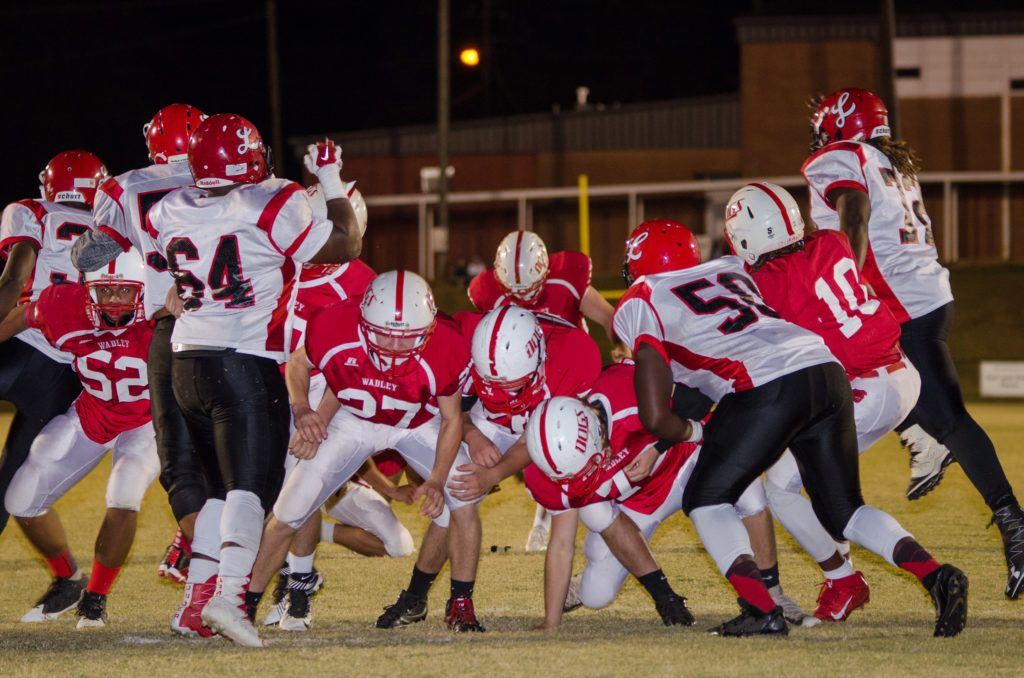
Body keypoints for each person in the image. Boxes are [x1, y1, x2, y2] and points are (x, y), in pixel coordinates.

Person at [613, 218, 968, 637]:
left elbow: (657, 411)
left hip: (767, 387)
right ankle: (936, 575)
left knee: (707, 500)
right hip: (826, 371)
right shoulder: (730, 267)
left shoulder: (641, 298)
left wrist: (684, 433)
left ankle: (762, 609)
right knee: (843, 510)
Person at [148, 114, 362, 646]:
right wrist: (332, 181)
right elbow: (344, 244)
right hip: (242, 359)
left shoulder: (169, 208)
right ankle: (230, 599)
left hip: (184, 362)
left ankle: (196, 600)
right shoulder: (271, 199)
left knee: (219, 488)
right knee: (252, 487)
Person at [803, 88, 1024, 599]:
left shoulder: (838, 157)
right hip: (923, 296)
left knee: (946, 417)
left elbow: (853, 211)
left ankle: (1012, 522)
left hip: (899, 305)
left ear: (840, 124)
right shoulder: (888, 160)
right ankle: (918, 436)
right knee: (841, 371)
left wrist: (848, 280)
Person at [243, 270, 479, 646]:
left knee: (465, 496)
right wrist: (305, 410)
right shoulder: (335, 324)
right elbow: (299, 363)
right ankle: (244, 607)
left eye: (407, 337)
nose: (393, 346)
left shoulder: (448, 347)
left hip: (413, 424)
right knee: (289, 510)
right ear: (364, 320)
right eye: (384, 333)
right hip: (354, 420)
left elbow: (452, 419)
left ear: (428, 329)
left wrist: (435, 478)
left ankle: (454, 601)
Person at [724, 181, 921, 622]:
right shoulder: (832, 242)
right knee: (819, 478)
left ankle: (843, 579)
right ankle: (845, 572)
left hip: (862, 388)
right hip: (902, 370)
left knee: (783, 487)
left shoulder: (765, 285)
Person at [375, 306, 602, 629]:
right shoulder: (464, 342)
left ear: (539, 361)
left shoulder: (574, 356)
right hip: (481, 417)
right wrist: (475, 435)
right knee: (456, 496)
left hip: (542, 425)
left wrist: (494, 474)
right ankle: (418, 598)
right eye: (490, 383)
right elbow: (455, 413)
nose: (500, 395)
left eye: (509, 387)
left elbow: (537, 440)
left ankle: (422, 598)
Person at [71, 103, 208, 583]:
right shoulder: (234, 184)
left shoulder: (124, 187)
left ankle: (196, 547)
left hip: (169, 329)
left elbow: (95, 251)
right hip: (236, 326)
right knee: (234, 445)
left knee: (179, 454)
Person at [524, 366, 769, 630]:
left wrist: (657, 447)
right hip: (640, 504)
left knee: (751, 496)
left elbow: (698, 401)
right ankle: (590, 579)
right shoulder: (550, 472)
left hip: (689, 460)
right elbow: (561, 544)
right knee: (597, 593)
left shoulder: (623, 390)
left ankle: (770, 595)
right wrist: (661, 593)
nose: (581, 479)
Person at [0, 250, 159, 628]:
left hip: (145, 421)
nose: (114, 302)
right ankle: (69, 579)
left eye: (124, 292)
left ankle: (96, 598)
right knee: (20, 500)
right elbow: (19, 317)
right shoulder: (61, 304)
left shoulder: (162, 314)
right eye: (105, 292)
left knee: (124, 494)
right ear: (86, 289)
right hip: (92, 413)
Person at [261, 184, 377, 631]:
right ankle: (290, 579)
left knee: (299, 497)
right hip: (276, 389)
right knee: (272, 497)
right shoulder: (286, 267)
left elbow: (352, 364)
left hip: (323, 397)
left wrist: (317, 415)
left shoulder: (358, 280)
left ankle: (300, 587)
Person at [468, 229, 627, 551]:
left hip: (568, 368)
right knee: (534, 445)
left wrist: (622, 346)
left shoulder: (567, 280)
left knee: (563, 441)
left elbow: (609, 317)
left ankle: (583, 515)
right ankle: (548, 514)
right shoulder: (488, 293)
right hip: (525, 377)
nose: (524, 296)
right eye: (516, 290)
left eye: (530, 288)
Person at [0, 150, 106, 535]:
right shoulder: (110, 225)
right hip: (66, 371)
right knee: (8, 483)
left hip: (21, 342)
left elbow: (14, 281)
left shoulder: (32, 210)